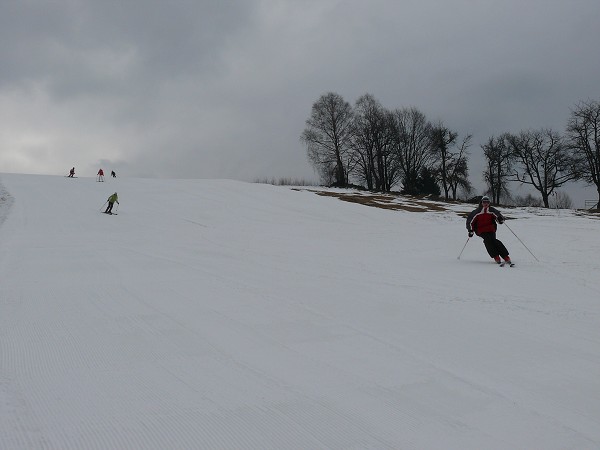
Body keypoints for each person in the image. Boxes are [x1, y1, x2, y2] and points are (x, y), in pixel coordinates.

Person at [466, 195, 512, 265]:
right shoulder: (477, 212)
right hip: (480, 230)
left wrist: (500, 219)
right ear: (481, 203)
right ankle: (496, 256)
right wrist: (471, 230)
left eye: (487, 202)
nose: (486, 204)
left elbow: (498, 216)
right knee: (487, 240)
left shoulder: (492, 210)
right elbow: (470, 221)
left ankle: (505, 256)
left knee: (494, 241)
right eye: (484, 202)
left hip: (491, 229)